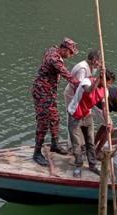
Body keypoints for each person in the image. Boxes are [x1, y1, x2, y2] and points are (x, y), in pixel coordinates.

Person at [31, 37, 79, 166]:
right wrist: (82, 84)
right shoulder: (54, 59)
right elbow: (67, 75)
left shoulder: (53, 50)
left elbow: (51, 48)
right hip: (42, 92)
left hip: (49, 93)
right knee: (43, 122)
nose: (71, 55)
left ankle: (54, 144)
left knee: (55, 118)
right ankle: (36, 153)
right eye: (70, 52)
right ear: (63, 49)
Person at [67, 72, 111, 177]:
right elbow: (88, 90)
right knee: (76, 142)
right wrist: (98, 79)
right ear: (102, 79)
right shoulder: (87, 81)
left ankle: (92, 165)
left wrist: (107, 121)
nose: (109, 85)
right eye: (108, 83)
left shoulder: (105, 91)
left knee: (90, 142)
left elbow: (105, 108)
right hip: (75, 114)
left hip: (87, 115)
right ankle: (78, 165)